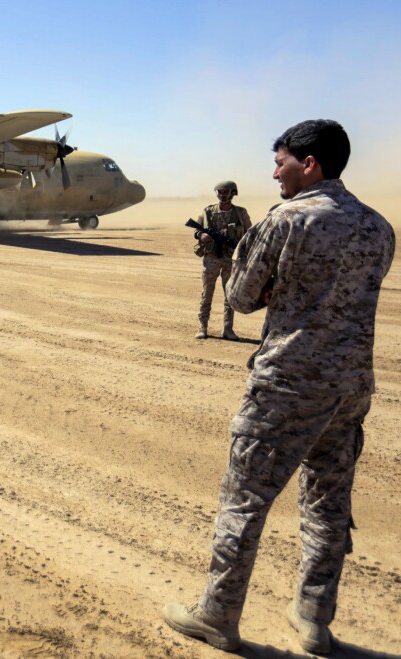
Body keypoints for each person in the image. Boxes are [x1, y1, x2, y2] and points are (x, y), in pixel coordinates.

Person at [163, 120, 395, 654]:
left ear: (309, 163)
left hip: (287, 384)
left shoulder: (286, 220)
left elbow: (242, 298)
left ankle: (217, 616)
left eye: (281, 162)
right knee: (328, 505)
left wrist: (275, 287)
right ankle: (314, 620)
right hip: (350, 386)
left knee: (244, 502)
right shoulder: (378, 226)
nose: (275, 173)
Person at [193, 181, 252, 340]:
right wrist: (201, 235)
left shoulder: (241, 213)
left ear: (233, 193)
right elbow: (197, 229)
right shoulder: (208, 212)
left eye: (226, 192)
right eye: (219, 192)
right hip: (211, 258)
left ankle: (228, 328)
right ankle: (202, 326)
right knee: (207, 294)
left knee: (229, 296)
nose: (222, 195)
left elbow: (249, 235)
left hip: (230, 260)